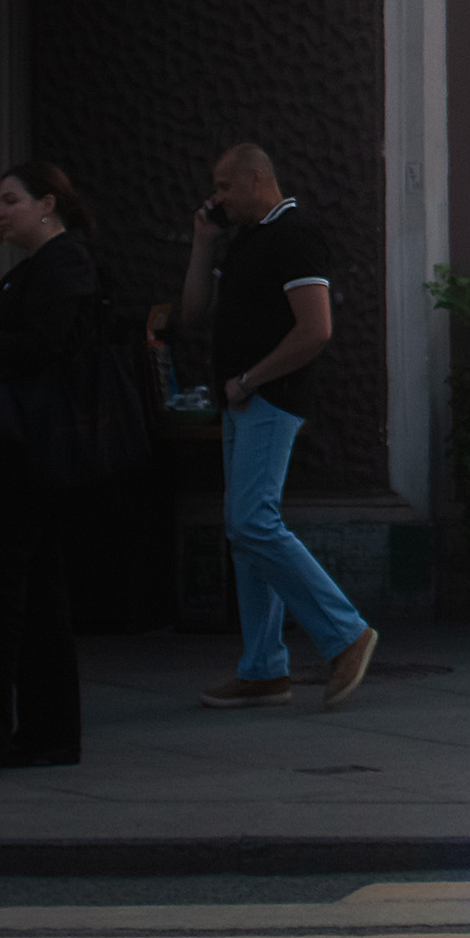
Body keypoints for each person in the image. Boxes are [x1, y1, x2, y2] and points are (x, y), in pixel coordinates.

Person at [178, 140, 378, 710]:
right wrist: (202, 244)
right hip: (242, 400)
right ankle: (263, 668)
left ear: (257, 181)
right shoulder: (246, 239)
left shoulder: (295, 234)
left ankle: (346, 633)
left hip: (269, 397)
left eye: (225, 186)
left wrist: (251, 380)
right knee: (245, 531)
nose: (217, 197)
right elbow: (193, 314)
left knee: (252, 523)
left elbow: (316, 329)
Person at [0, 161, 106, 783]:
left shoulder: (64, 264)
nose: (0, 209)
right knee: (34, 589)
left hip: (26, 448)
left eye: (10, 201)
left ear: (47, 204)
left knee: (3, 589)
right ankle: (45, 731)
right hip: (20, 445)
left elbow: (34, 348)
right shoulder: (32, 267)